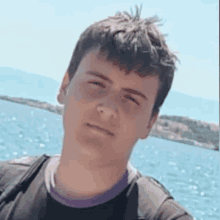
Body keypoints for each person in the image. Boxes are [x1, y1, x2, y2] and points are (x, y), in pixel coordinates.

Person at [0, 5, 194, 220]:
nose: (108, 108)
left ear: (150, 122)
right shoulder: (6, 185)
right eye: (96, 84)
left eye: (131, 98)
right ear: (65, 87)